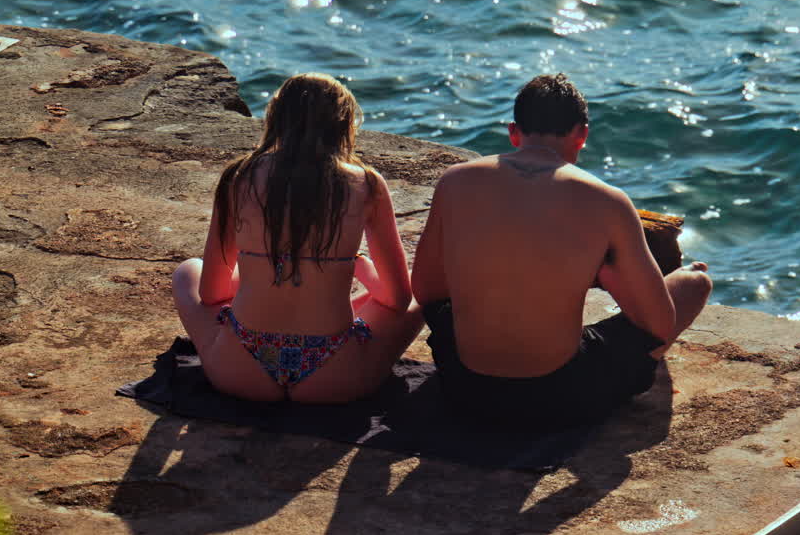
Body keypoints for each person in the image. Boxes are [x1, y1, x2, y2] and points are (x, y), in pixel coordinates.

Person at [411, 73, 712, 429]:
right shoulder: (608, 200)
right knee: (694, 283)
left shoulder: (455, 180)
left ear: (513, 132)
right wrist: (608, 278)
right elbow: (658, 324)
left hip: (465, 387)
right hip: (558, 397)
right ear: (582, 134)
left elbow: (427, 292)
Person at [172, 73, 422, 403]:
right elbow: (396, 299)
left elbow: (213, 293)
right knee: (418, 293)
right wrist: (355, 262)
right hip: (334, 375)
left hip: (241, 368)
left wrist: (260, 265)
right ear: (344, 125)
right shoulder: (366, 184)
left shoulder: (240, 176)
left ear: (276, 117)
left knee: (189, 270)